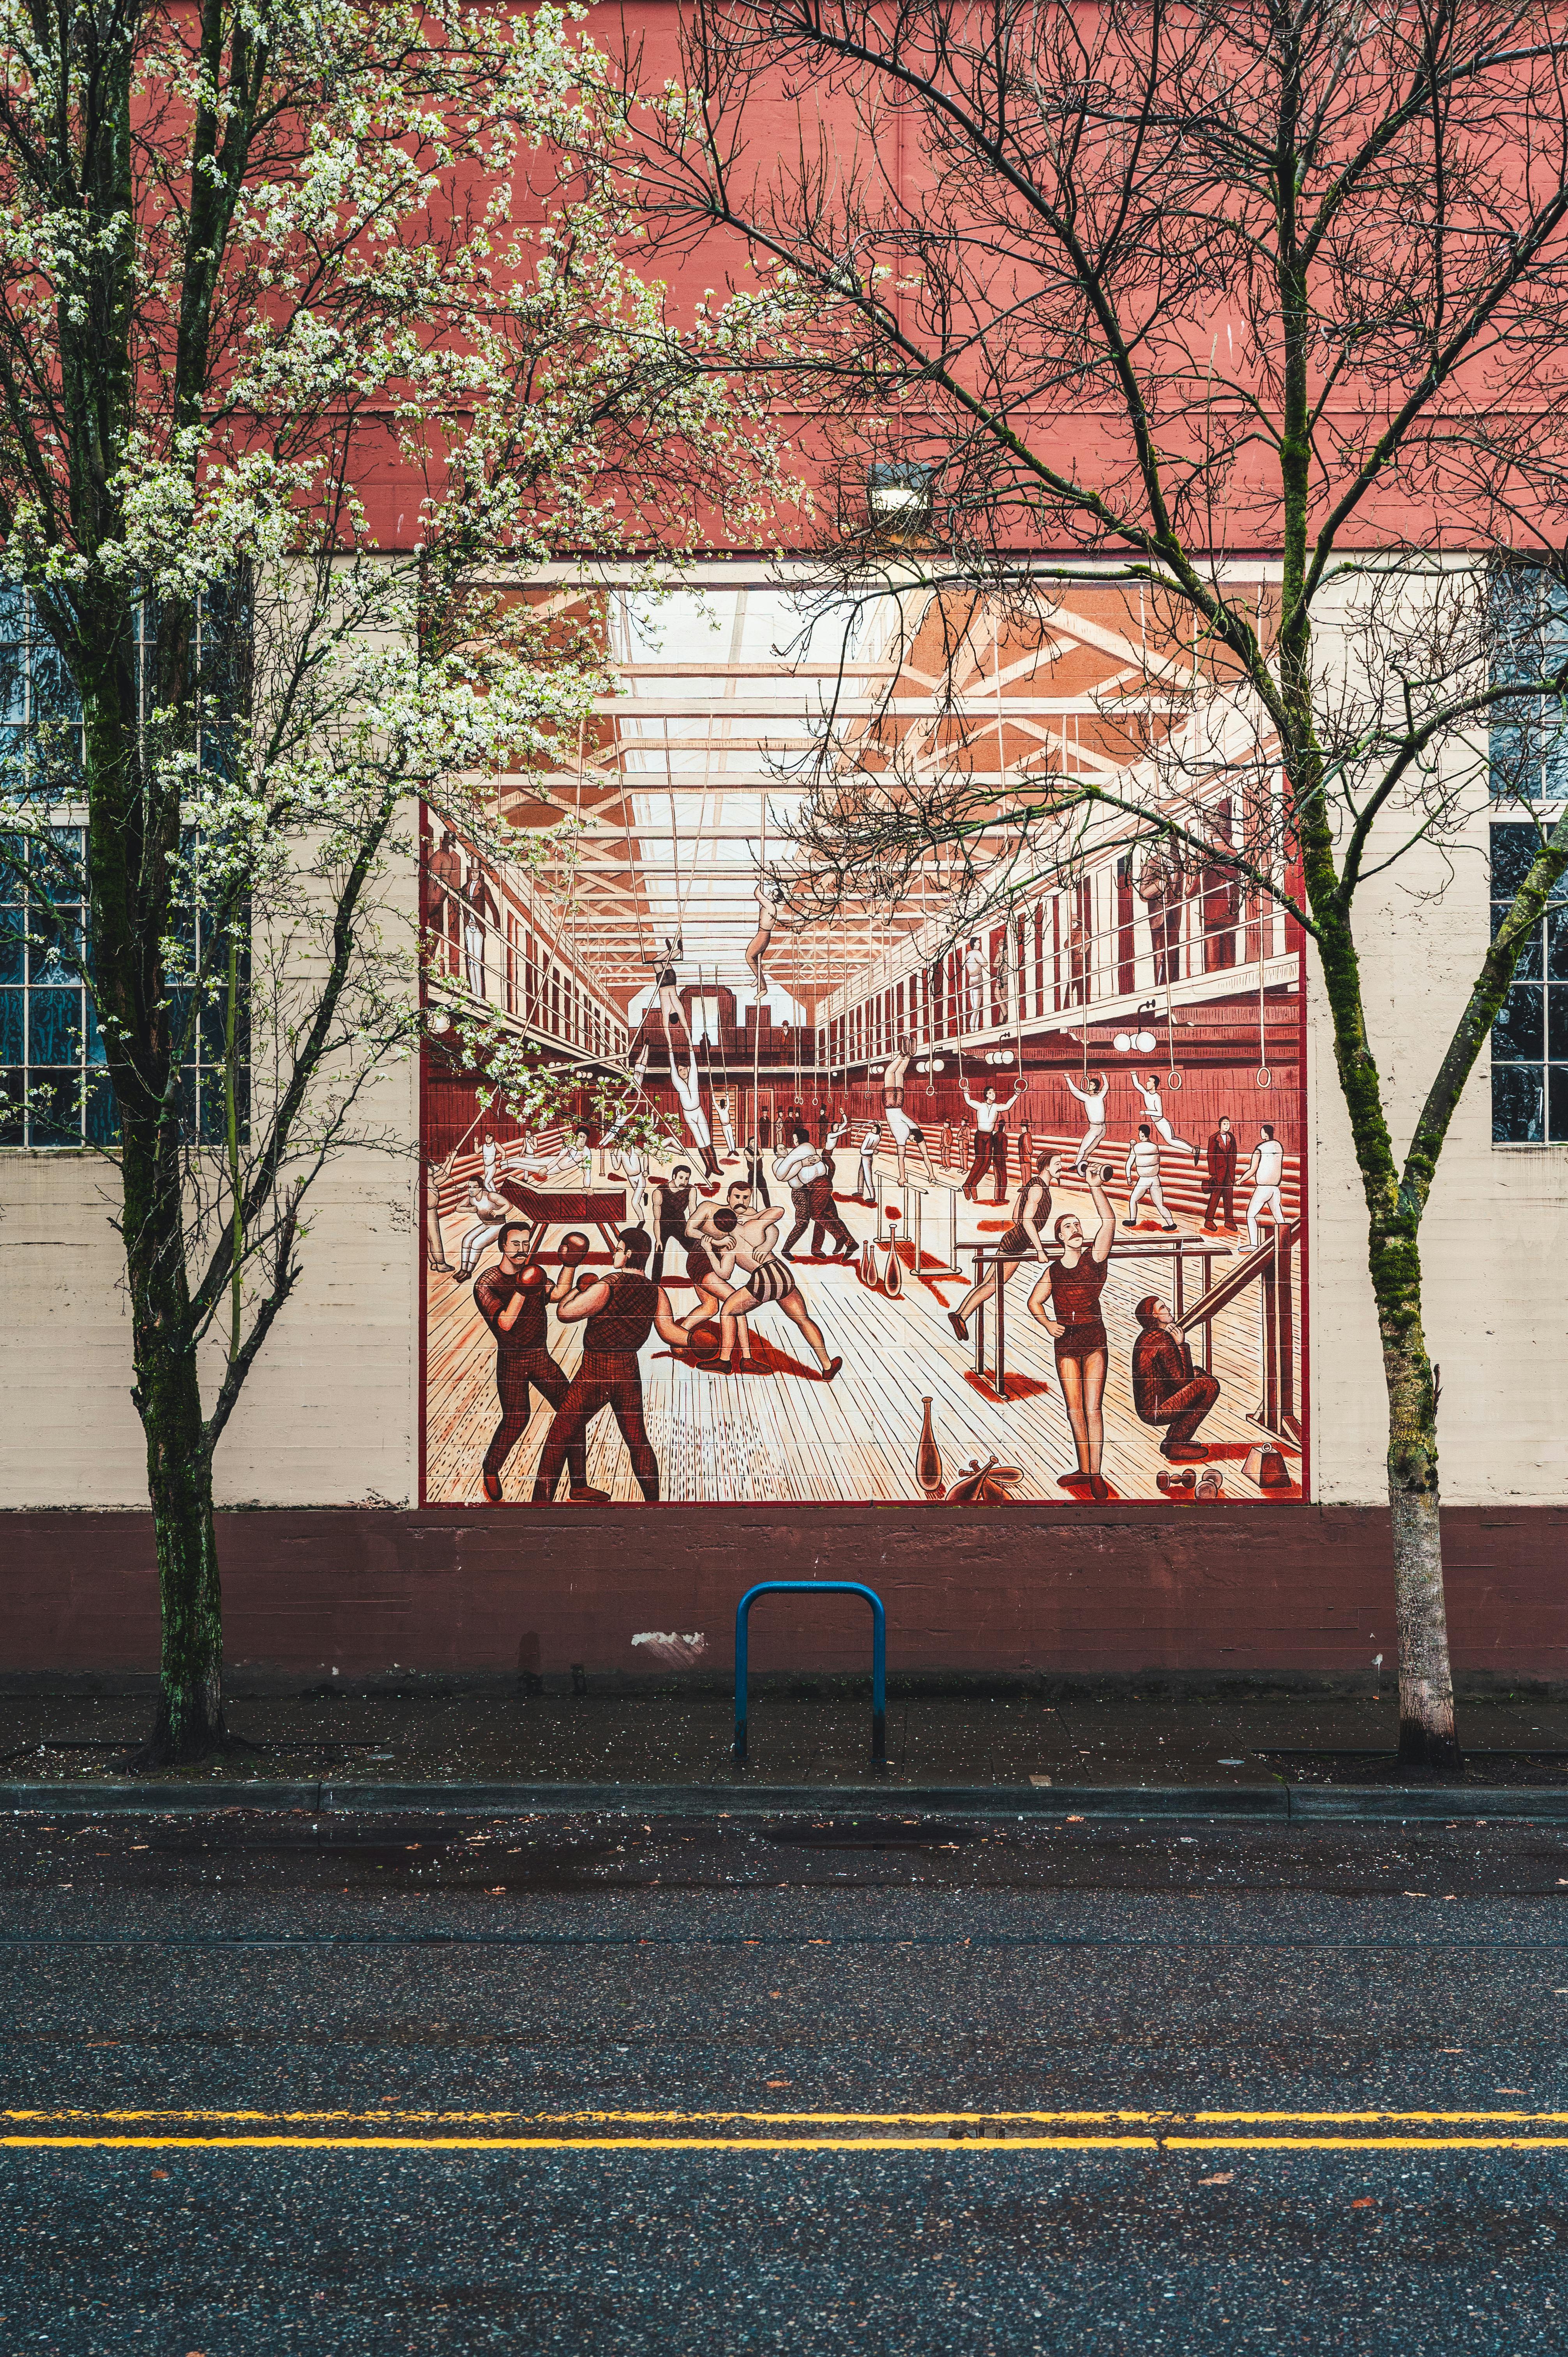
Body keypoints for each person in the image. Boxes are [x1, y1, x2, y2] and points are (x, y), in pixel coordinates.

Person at [531, 1227, 689, 1502]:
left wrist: (578, 1291)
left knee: (559, 1439)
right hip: (628, 1373)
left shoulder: (608, 1284)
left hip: (595, 1372)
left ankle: (537, 1509)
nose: (614, 1254)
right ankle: (655, 1506)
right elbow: (669, 1332)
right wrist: (696, 1341)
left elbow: (566, 1314)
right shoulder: (655, 1291)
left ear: (629, 1253)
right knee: (638, 1442)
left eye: (618, 1249)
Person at [474, 1219, 590, 1503]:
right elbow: (506, 1323)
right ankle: (491, 1468)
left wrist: (571, 1263)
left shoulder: (532, 1273)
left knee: (572, 1413)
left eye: (526, 1244)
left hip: (539, 1355)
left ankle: (579, 1484)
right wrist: (523, 1289)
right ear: (502, 1245)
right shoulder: (486, 1283)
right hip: (512, 1360)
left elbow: (558, 1294)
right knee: (517, 1419)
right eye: (515, 1244)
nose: (521, 1250)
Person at [1027, 1166, 1117, 1502]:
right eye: (1069, 1227)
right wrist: (1048, 1324)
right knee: (1074, 1409)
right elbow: (1034, 1302)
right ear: (1061, 1238)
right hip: (1066, 1342)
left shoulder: (1095, 1258)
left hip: (1094, 1339)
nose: (1076, 1230)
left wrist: (1095, 1187)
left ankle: (1095, 1474)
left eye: (1078, 1225)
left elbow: (1108, 1223)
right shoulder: (1053, 1270)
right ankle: (1084, 1468)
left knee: (1093, 1408)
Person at [679, 1201, 842, 1379]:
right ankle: (827, 1366)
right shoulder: (753, 1226)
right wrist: (753, 1217)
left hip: (764, 1279)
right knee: (803, 1319)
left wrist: (709, 1251)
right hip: (782, 1274)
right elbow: (779, 1210)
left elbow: (724, 1274)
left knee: (727, 1311)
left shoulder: (728, 1246)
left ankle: (724, 1361)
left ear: (719, 1230)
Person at [948, 1152, 1061, 1344]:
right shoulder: (1038, 1188)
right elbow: (1025, 1220)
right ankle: (961, 1316)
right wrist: (1040, 1249)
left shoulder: (1034, 1184)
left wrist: (1027, 1237)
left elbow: (1017, 1216)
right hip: (1016, 1244)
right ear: (1047, 1167)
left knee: (988, 1283)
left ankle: (960, 1315)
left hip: (1013, 1239)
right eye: (1057, 1164)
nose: (1061, 1167)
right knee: (994, 1285)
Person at [1131, 1295, 1220, 1463]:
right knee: (1210, 1385)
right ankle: (1176, 1444)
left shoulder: (1149, 1336)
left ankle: (1174, 1440)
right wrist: (1181, 1345)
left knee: (1198, 1373)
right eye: (1163, 1308)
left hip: (1154, 1404)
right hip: (1157, 1410)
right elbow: (1182, 1381)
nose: (1169, 1310)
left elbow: (1175, 1376)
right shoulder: (1162, 1338)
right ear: (1155, 1316)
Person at [883, 1037, 936, 1186]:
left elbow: (905, 1158)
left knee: (899, 1074)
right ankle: (903, 1054)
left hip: (899, 1103)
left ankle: (907, 1055)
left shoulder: (914, 1128)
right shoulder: (904, 1135)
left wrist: (904, 1177)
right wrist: (903, 1177)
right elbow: (905, 1158)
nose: (912, 1142)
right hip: (890, 1104)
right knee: (891, 1073)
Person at [961, 1080, 1021, 1204]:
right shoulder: (981, 1106)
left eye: (994, 1092)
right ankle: (967, 1185)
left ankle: (973, 1185)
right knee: (979, 1161)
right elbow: (969, 1101)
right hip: (980, 1135)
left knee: (987, 1163)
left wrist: (1016, 1095)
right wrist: (966, 1092)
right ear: (986, 1095)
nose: (993, 1094)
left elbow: (1008, 1106)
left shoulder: (996, 1107)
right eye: (991, 1093)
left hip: (989, 1136)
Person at [669, 1040, 721, 1178]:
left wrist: (691, 1049)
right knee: (699, 1141)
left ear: (688, 1069)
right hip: (689, 1114)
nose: (683, 1072)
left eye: (684, 1069)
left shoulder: (693, 1077)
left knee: (707, 1139)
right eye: (680, 1070)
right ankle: (708, 1167)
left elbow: (694, 1064)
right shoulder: (678, 1083)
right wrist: (670, 1051)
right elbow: (673, 1069)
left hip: (698, 1112)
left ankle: (715, 1167)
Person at [1138, 846, 1183, 985]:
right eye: (1163, 844)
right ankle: (1158, 987)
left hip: (1175, 915)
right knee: (1159, 955)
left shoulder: (1177, 864)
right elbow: (1143, 894)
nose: (1166, 846)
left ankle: (1173, 984)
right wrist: (1159, 886)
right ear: (1158, 846)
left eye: (1168, 843)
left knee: (1174, 954)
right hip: (1159, 918)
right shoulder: (1151, 864)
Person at [1133, 1072, 1198, 1165]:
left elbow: (1160, 1114)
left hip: (1162, 1123)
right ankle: (1193, 1150)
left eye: (1149, 1081)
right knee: (1172, 1139)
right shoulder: (1146, 1094)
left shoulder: (1157, 1097)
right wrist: (1133, 1074)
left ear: (1154, 1085)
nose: (1147, 1083)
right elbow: (1137, 1084)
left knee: (1171, 1140)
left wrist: (1146, 1112)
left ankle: (1193, 1150)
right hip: (1158, 1124)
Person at [1124, 1124, 1176, 1231]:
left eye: (1140, 1133)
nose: (1139, 1135)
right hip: (1155, 1179)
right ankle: (1171, 1224)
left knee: (1133, 1200)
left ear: (1142, 1134)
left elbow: (1129, 1163)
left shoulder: (1137, 1147)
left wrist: (1129, 1178)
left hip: (1144, 1179)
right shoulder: (1155, 1147)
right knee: (1159, 1204)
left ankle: (1132, 1220)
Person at [650, 1162, 695, 1281]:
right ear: (674, 1177)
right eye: (681, 1178)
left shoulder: (691, 1190)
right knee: (659, 1251)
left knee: (695, 1249)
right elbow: (657, 1219)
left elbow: (693, 1213)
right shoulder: (660, 1192)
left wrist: (694, 1231)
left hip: (680, 1223)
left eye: (687, 1179)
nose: (684, 1182)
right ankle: (655, 1284)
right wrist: (658, 1239)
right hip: (663, 1224)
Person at [1244, 1123, 1285, 1249]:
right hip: (1275, 1189)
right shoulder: (1278, 1146)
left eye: (1262, 1132)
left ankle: (1254, 1244)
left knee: (1251, 1215)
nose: (1261, 1134)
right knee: (1279, 1217)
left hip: (1263, 1188)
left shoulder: (1260, 1148)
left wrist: (1240, 1180)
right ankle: (1285, 1242)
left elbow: (1252, 1170)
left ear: (1266, 1134)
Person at [1064, 1071, 1109, 1175]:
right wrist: (1104, 1076)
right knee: (1088, 1149)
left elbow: (1074, 1090)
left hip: (1097, 1128)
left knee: (1084, 1148)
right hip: (1102, 1128)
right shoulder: (1096, 1097)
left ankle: (1077, 1164)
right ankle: (1080, 1165)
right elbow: (1074, 1091)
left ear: (1094, 1087)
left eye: (1091, 1085)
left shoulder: (1090, 1098)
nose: (1088, 1086)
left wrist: (1068, 1078)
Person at [644, 936, 687, 1040]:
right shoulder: (666, 1011)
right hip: (663, 984)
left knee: (666, 962)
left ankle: (676, 951)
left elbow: (685, 1026)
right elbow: (666, 1028)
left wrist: (690, 1042)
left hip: (672, 981)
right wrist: (670, 1045)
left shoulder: (679, 1009)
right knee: (656, 961)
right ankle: (671, 950)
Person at [1204, 1116, 1238, 1231]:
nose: (1227, 1126)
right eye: (1225, 1124)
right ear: (1220, 1126)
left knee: (1229, 1197)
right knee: (1215, 1196)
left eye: (1228, 1124)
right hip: (1218, 1173)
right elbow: (1211, 1156)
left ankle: (1229, 1221)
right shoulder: (1214, 1139)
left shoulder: (1231, 1138)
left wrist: (1233, 1167)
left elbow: (1234, 1154)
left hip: (1229, 1173)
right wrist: (1213, 1173)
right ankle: (1209, 1221)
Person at [745, 882, 781, 989]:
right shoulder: (770, 906)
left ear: (776, 898)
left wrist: (761, 883)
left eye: (773, 893)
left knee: (749, 956)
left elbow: (757, 894)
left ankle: (763, 987)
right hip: (763, 934)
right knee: (756, 959)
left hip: (763, 935)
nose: (770, 893)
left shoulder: (771, 906)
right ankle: (759, 977)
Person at [962, 935, 988, 1032]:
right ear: (974, 944)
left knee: (975, 1006)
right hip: (978, 980)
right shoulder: (977, 953)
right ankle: (973, 1029)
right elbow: (985, 963)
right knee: (977, 1007)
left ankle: (974, 1028)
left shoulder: (968, 954)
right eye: (978, 942)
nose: (979, 944)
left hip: (971, 981)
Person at [742, 1133, 771, 1208]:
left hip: (760, 1174)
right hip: (752, 1173)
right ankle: (744, 1206)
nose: (754, 1143)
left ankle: (769, 1208)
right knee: (748, 1192)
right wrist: (757, 1158)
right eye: (752, 1142)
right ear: (749, 1143)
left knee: (765, 1191)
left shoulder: (759, 1149)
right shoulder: (747, 1150)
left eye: (755, 1142)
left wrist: (756, 1158)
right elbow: (751, 1159)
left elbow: (762, 1155)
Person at [855, 1120, 880, 1205]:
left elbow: (863, 1151)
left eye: (874, 1128)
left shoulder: (869, 1135)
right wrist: (879, 1123)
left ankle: (873, 1197)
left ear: (876, 1130)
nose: (872, 1128)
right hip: (869, 1157)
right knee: (861, 1173)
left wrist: (873, 1151)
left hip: (866, 1157)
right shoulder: (879, 1137)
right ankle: (860, 1191)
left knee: (868, 1176)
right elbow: (881, 1131)